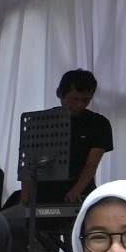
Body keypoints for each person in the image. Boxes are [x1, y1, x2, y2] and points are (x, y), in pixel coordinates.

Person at [45, 70, 113, 206]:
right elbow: (29, 165)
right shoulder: (43, 121)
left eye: (85, 100)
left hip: (81, 192)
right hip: (45, 193)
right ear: (59, 94)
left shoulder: (98, 123)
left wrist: (74, 192)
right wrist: (25, 199)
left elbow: (91, 166)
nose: (80, 105)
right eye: (75, 99)